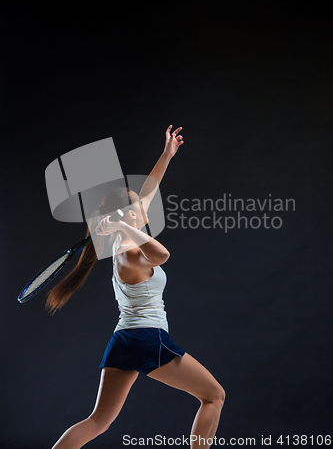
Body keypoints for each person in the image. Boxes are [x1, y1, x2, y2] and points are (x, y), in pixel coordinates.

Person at [48, 125, 225, 449]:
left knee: (98, 422)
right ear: (125, 216)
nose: (145, 211)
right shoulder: (129, 252)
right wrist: (120, 225)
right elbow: (162, 254)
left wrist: (167, 154)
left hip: (124, 340)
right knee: (214, 396)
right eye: (137, 211)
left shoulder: (125, 240)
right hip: (147, 338)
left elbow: (149, 190)